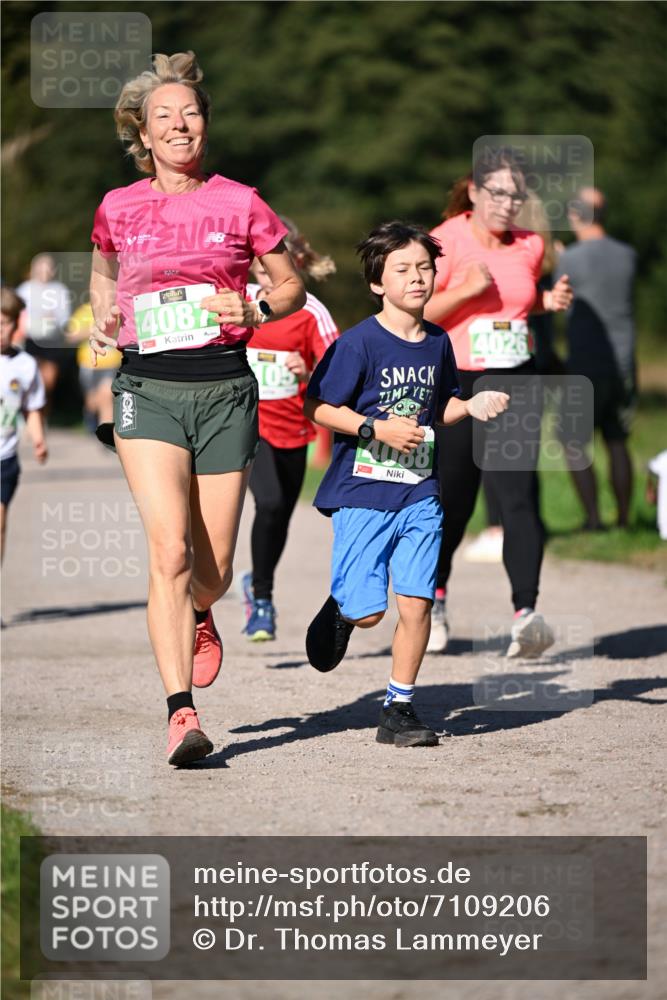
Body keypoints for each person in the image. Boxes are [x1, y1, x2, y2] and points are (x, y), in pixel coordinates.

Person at [88, 52, 304, 766]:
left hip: (223, 389)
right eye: (164, 117)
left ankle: (205, 609)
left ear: (204, 126)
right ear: (143, 135)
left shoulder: (240, 201)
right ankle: (181, 712)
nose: (180, 125)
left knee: (208, 569)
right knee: (169, 552)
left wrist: (251, 304)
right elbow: (102, 269)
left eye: (190, 113)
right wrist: (100, 317)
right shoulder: (118, 205)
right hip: (147, 389)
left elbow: (289, 289)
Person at [304, 222, 509, 746]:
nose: (417, 277)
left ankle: (399, 709)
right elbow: (322, 407)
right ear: (378, 283)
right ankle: (345, 606)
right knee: (372, 612)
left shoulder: (439, 342)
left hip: (420, 491)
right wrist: (375, 428)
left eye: (424, 267)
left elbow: (442, 405)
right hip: (364, 494)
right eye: (403, 269)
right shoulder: (358, 344)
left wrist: (473, 406)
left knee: (416, 602)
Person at [425, 148, 572, 657]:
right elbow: (419, 311)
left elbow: (518, 299)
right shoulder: (445, 240)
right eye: (499, 193)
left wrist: (544, 302)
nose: (509, 204)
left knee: (517, 497)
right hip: (459, 382)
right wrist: (466, 289)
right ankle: (435, 596)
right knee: (456, 502)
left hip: (516, 382)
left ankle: (526, 615)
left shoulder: (531, 245)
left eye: (517, 195)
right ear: (473, 191)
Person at [241, 218, 338, 640]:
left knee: (279, 514)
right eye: (259, 265)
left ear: (293, 262)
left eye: (275, 263)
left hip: (294, 429)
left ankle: (258, 584)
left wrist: (311, 369)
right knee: (271, 500)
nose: (267, 272)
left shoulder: (311, 310)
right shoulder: (235, 301)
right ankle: (262, 600)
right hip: (246, 423)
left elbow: (341, 373)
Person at [556, 187, 637, 529]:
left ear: (577, 214)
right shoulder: (627, 254)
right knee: (617, 440)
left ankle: (592, 518)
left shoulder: (569, 259)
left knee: (572, 441)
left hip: (584, 364)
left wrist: (558, 257)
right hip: (624, 363)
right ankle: (622, 518)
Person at [1, 287, 48, 565]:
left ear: (16, 324)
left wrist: (39, 439)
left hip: (4, 459)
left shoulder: (26, 365)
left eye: (3, 323)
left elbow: (32, 408)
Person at [16, 253, 71, 411]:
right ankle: (29, 416)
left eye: (48, 268)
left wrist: (54, 316)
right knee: (30, 380)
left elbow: (64, 318)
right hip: (30, 339)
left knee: (48, 381)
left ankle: (43, 414)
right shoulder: (24, 289)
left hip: (51, 341)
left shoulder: (59, 290)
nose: (44, 271)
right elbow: (18, 316)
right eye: (41, 267)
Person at [66, 300, 122, 432]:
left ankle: (106, 435)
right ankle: (91, 420)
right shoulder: (84, 310)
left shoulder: (118, 311)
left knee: (106, 395)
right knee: (92, 402)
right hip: (89, 364)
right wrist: (93, 331)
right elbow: (70, 336)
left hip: (111, 363)